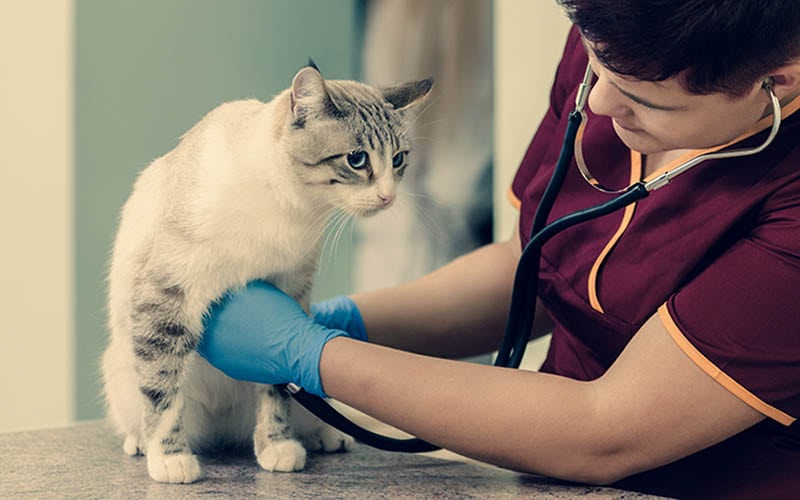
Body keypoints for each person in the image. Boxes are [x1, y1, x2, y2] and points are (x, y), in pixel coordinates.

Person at [198, 1, 800, 497]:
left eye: (643, 101)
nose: (597, 104)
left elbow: (605, 429)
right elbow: (534, 266)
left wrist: (312, 355)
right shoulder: (621, 47)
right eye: (596, 69)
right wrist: (347, 321)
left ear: (776, 82)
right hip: (546, 478)